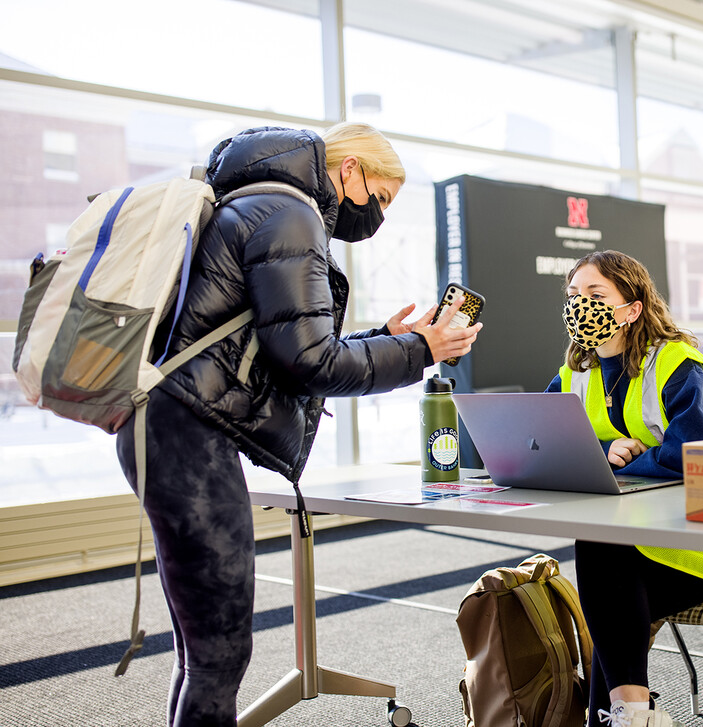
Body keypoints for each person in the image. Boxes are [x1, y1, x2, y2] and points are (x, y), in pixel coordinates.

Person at [115, 123, 481, 726]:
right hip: (188, 436)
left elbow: (272, 346)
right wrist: (424, 351)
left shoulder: (254, 198)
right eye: (381, 198)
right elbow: (311, 362)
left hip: (164, 424)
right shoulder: (290, 214)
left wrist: (383, 342)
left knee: (201, 650)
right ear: (353, 171)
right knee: (220, 652)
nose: (376, 216)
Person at [545, 250, 703, 727]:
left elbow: (699, 451)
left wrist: (637, 458)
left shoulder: (678, 365)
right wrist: (604, 449)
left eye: (594, 295)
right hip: (656, 538)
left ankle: (629, 715)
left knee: (606, 588)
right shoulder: (577, 372)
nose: (579, 305)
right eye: (572, 295)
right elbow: (545, 437)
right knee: (611, 594)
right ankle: (633, 714)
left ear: (632, 309)